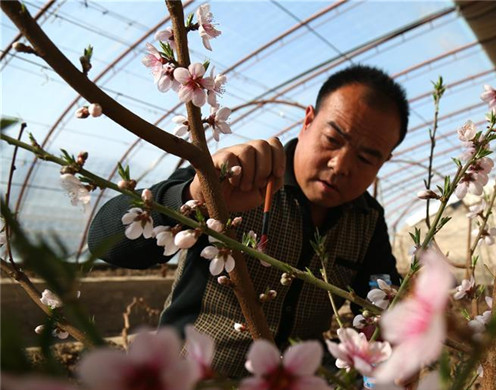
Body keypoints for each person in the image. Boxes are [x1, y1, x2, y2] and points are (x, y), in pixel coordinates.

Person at [88, 64, 409, 377]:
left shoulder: (367, 220)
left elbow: (379, 306)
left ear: (384, 161)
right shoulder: (238, 178)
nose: (340, 166)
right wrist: (195, 194)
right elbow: (107, 241)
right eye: (332, 140)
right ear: (308, 121)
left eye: (367, 158)